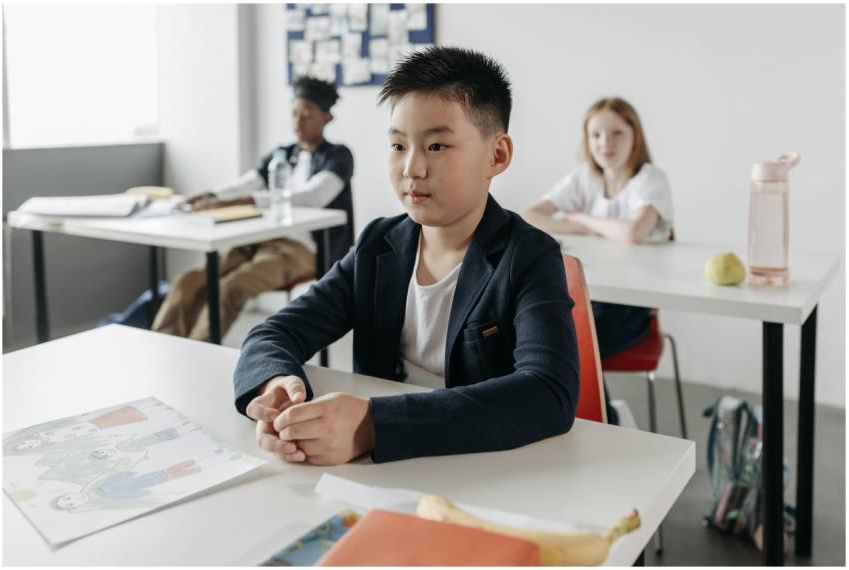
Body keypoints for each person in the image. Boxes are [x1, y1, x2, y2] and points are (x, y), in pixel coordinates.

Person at [233, 46, 580, 466]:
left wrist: (374, 425)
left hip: (480, 469)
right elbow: (273, 334)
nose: (412, 169)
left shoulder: (528, 256)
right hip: (380, 475)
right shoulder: (379, 244)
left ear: (497, 155)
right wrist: (275, 385)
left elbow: (547, 393)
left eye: (436, 146)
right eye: (398, 146)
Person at [152, 76, 355, 342]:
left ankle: (198, 350)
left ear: (327, 118)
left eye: (307, 114)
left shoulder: (338, 156)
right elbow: (247, 183)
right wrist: (210, 195)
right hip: (257, 239)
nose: (298, 122)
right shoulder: (281, 154)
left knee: (229, 288)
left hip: (301, 249)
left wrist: (246, 201)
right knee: (189, 281)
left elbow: (313, 197)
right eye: (294, 113)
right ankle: (163, 346)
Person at [522, 97, 674, 424]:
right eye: (596, 135)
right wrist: (580, 224)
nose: (606, 143)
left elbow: (634, 233)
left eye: (617, 133)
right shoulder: (585, 178)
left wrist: (584, 220)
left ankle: (605, 426)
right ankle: (598, 422)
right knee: (544, 334)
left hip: (632, 308)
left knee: (569, 345)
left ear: (635, 136)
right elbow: (530, 216)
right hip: (591, 297)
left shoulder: (650, 179)